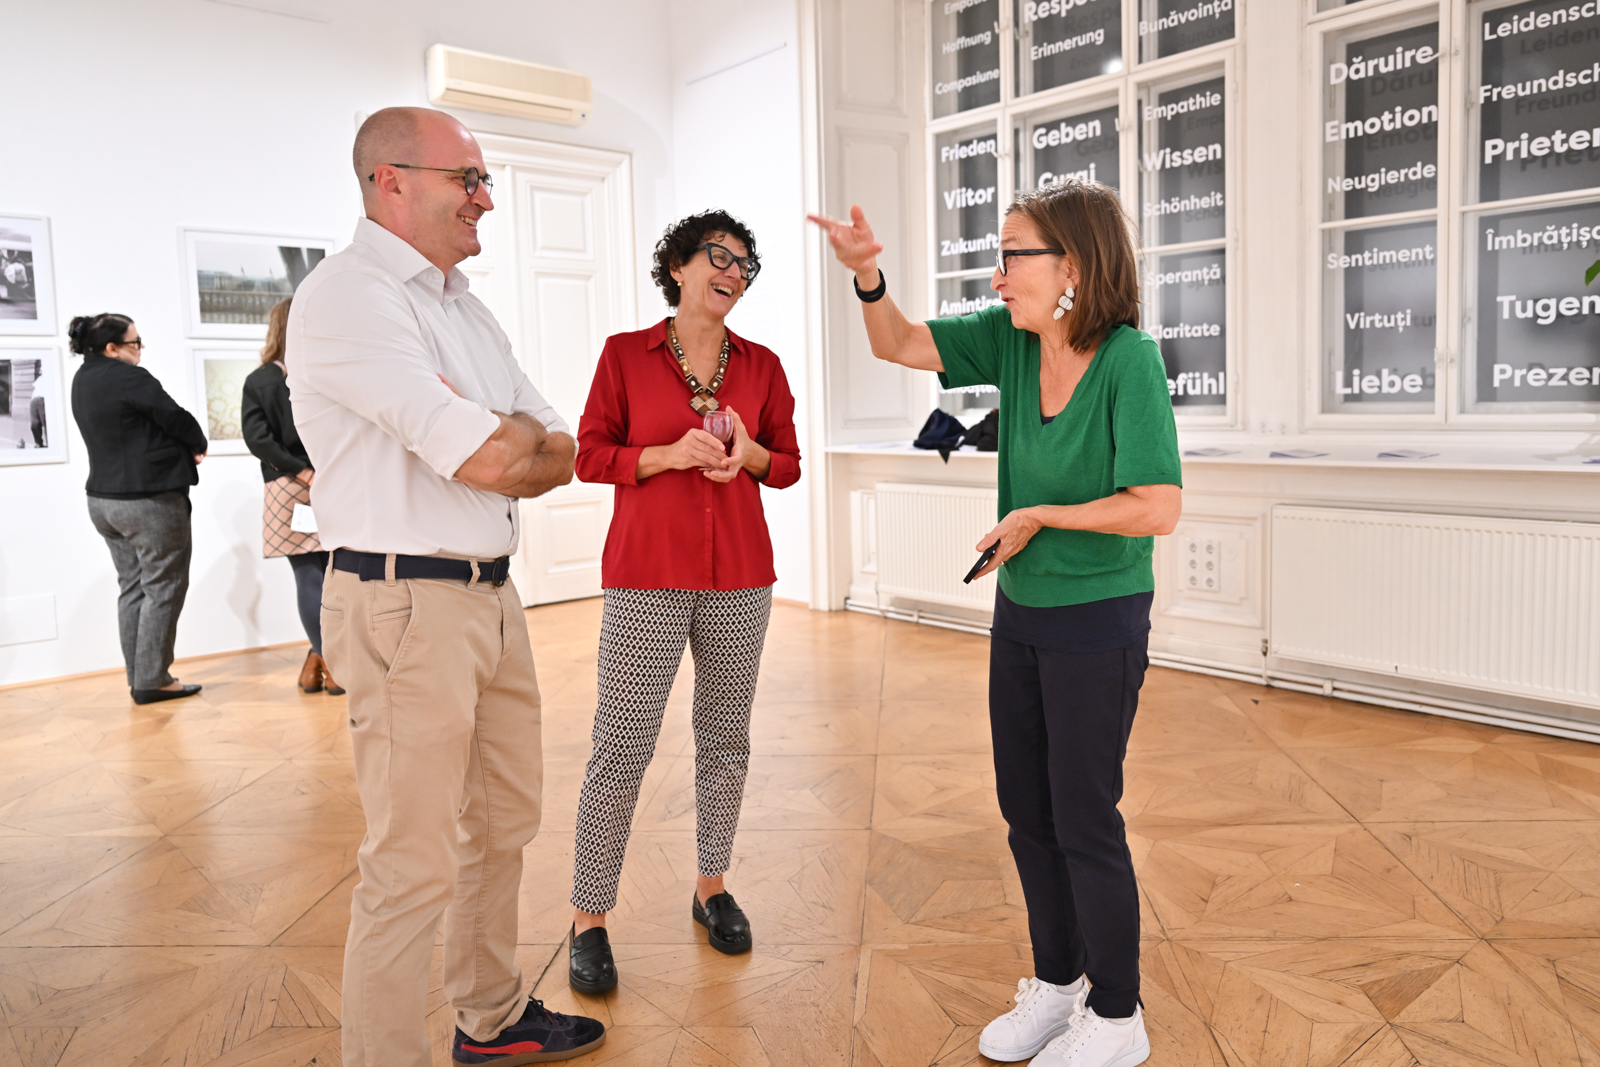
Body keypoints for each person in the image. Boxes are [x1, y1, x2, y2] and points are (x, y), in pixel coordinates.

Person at [810, 181, 1182, 1067]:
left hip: (1099, 614)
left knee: (1084, 814)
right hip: (1022, 612)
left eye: (1014, 254)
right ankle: (1059, 983)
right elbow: (899, 341)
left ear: (1073, 266)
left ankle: (1118, 1014)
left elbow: (1157, 505)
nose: (998, 272)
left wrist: (1043, 514)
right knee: (1026, 810)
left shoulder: (1129, 359)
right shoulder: (1011, 338)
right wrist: (866, 276)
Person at [287, 107, 605, 1067]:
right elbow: (492, 456)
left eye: (484, 179)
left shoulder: (463, 306)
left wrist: (507, 436)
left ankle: (490, 1016)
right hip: (404, 603)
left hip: (491, 598)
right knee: (409, 862)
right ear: (390, 180)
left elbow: (559, 444)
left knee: (504, 822)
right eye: (467, 179)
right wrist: (502, 437)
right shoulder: (348, 298)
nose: (486, 199)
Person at [566, 210, 801, 994]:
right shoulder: (623, 356)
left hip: (741, 575)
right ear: (676, 265)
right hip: (646, 576)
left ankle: (711, 886)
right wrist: (665, 455)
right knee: (621, 744)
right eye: (718, 256)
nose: (732, 272)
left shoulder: (762, 366)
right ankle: (589, 917)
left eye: (744, 264)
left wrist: (751, 453)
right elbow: (589, 455)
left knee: (725, 738)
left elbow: (788, 464)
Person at [69, 313, 209, 706]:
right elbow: (173, 417)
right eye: (135, 342)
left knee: (132, 587)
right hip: (148, 500)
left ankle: (140, 676)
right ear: (112, 348)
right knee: (164, 586)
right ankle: (153, 680)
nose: (141, 348)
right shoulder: (130, 377)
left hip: (103, 500)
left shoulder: (83, 378)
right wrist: (197, 442)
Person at [241, 297, 341, 695]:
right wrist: (312, 471)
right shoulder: (322, 376)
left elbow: (257, 439)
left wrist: (299, 471)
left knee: (309, 575)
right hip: (329, 482)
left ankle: (321, 662)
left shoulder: (260, 380)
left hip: (288, 486)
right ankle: (332, 663)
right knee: (333, 574)